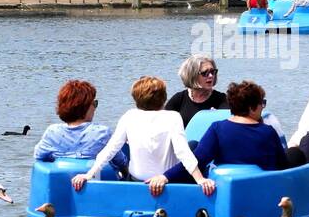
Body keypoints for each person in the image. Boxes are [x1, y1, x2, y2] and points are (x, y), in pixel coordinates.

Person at [73, 77, 215, 197]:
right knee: (193, 145)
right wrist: (200, 179)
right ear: (163, 98)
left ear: (136, 99)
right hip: (168, 182)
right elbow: (182, 152)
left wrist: (89, 174)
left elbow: (111, 149)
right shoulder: (172, 117)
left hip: (137, 182)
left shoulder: (129, 116)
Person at [170, 81, 288, 178]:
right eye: (262, 103)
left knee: (194, 147)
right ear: (251, 108)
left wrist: (165, 177)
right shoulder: (268, 132)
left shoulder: (217, 128)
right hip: (260, 186)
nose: (263, 107)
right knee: (295, 155)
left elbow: (196, 160)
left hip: (223, 183)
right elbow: (282, 166)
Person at [34, 79, 128, 175]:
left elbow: (39, 156)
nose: (95, 108)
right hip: (97, 183)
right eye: (94, 103)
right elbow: (121, 163)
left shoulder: (52, 132)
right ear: (85, 107)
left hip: (62, 181)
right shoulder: (102, 133)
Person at [165, 55, 226, 126]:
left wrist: (217, 116)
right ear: (193, 75)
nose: (211, 76)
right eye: (205, 73)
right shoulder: (179, 99)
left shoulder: (222, 99)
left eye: (213, 72)